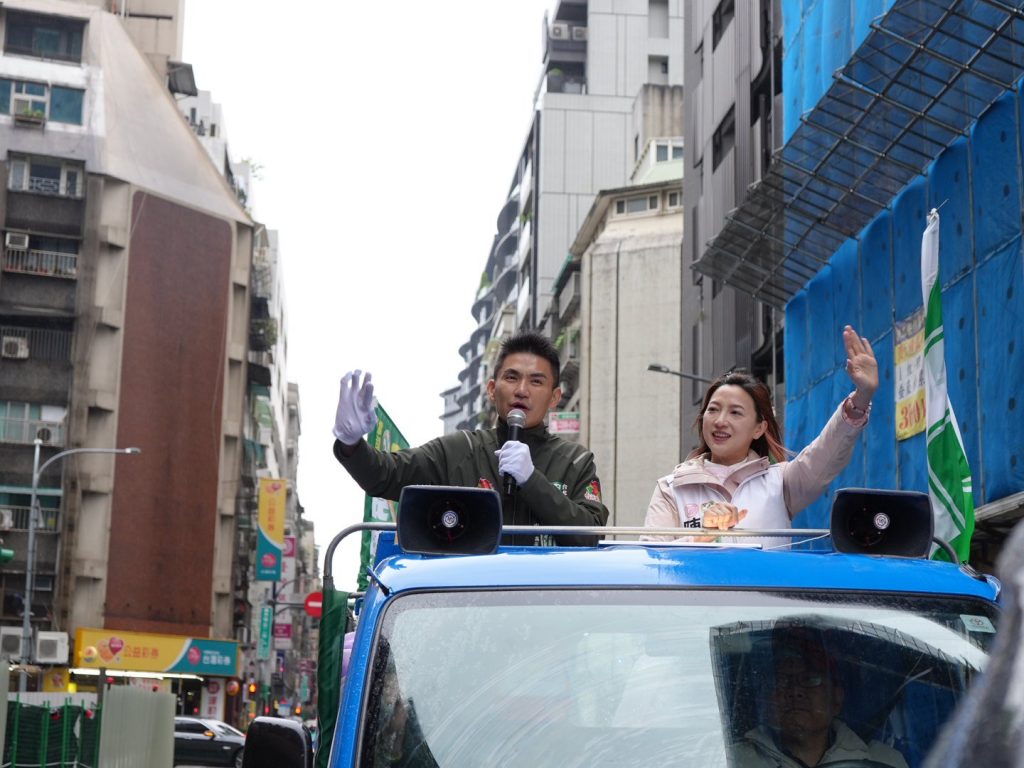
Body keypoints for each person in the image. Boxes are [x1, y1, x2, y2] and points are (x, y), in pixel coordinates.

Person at [332, 331, 609, 546]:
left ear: (554, 397)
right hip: (470, 608)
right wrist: (352, 443)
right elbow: (385, 475)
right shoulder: (459, 450)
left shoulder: (576, 462)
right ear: (491, 389)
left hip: (547, 609)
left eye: (536, 381)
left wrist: (532, 481)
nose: (522, 390)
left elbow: (592, 536)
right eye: (511, 378)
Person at [643, 325, 877, 545]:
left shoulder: (782, 483)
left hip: (766, 592)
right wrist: (702, 537)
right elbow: (652, 561)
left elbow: (826, 452)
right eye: (713, 410)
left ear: (759, 428)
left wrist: (861, 397)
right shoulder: (671, 488)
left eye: (736, 412)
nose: (720, 420)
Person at [732, 624, 909, 768]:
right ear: (765, 697)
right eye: (782, 680)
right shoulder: (729, 761)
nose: (795, 691)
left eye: (810, 679)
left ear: (837, 699)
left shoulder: (884, 762)